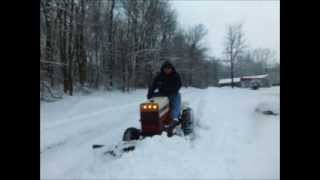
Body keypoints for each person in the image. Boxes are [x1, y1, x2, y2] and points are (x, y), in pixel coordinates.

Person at [147, 61, 182, 126]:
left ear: (172, 69)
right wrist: (150, 93)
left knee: (175, 103)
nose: (167, 70)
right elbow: (153, 85)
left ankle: (174, 118)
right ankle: (149, 120)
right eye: (165, 68)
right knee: (151, 103)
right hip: (161, 94)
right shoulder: (159, 76)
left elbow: (178, 85)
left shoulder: (175, 75)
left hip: (173, 93)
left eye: (169, 68)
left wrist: (170, 90)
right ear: (163, 69)